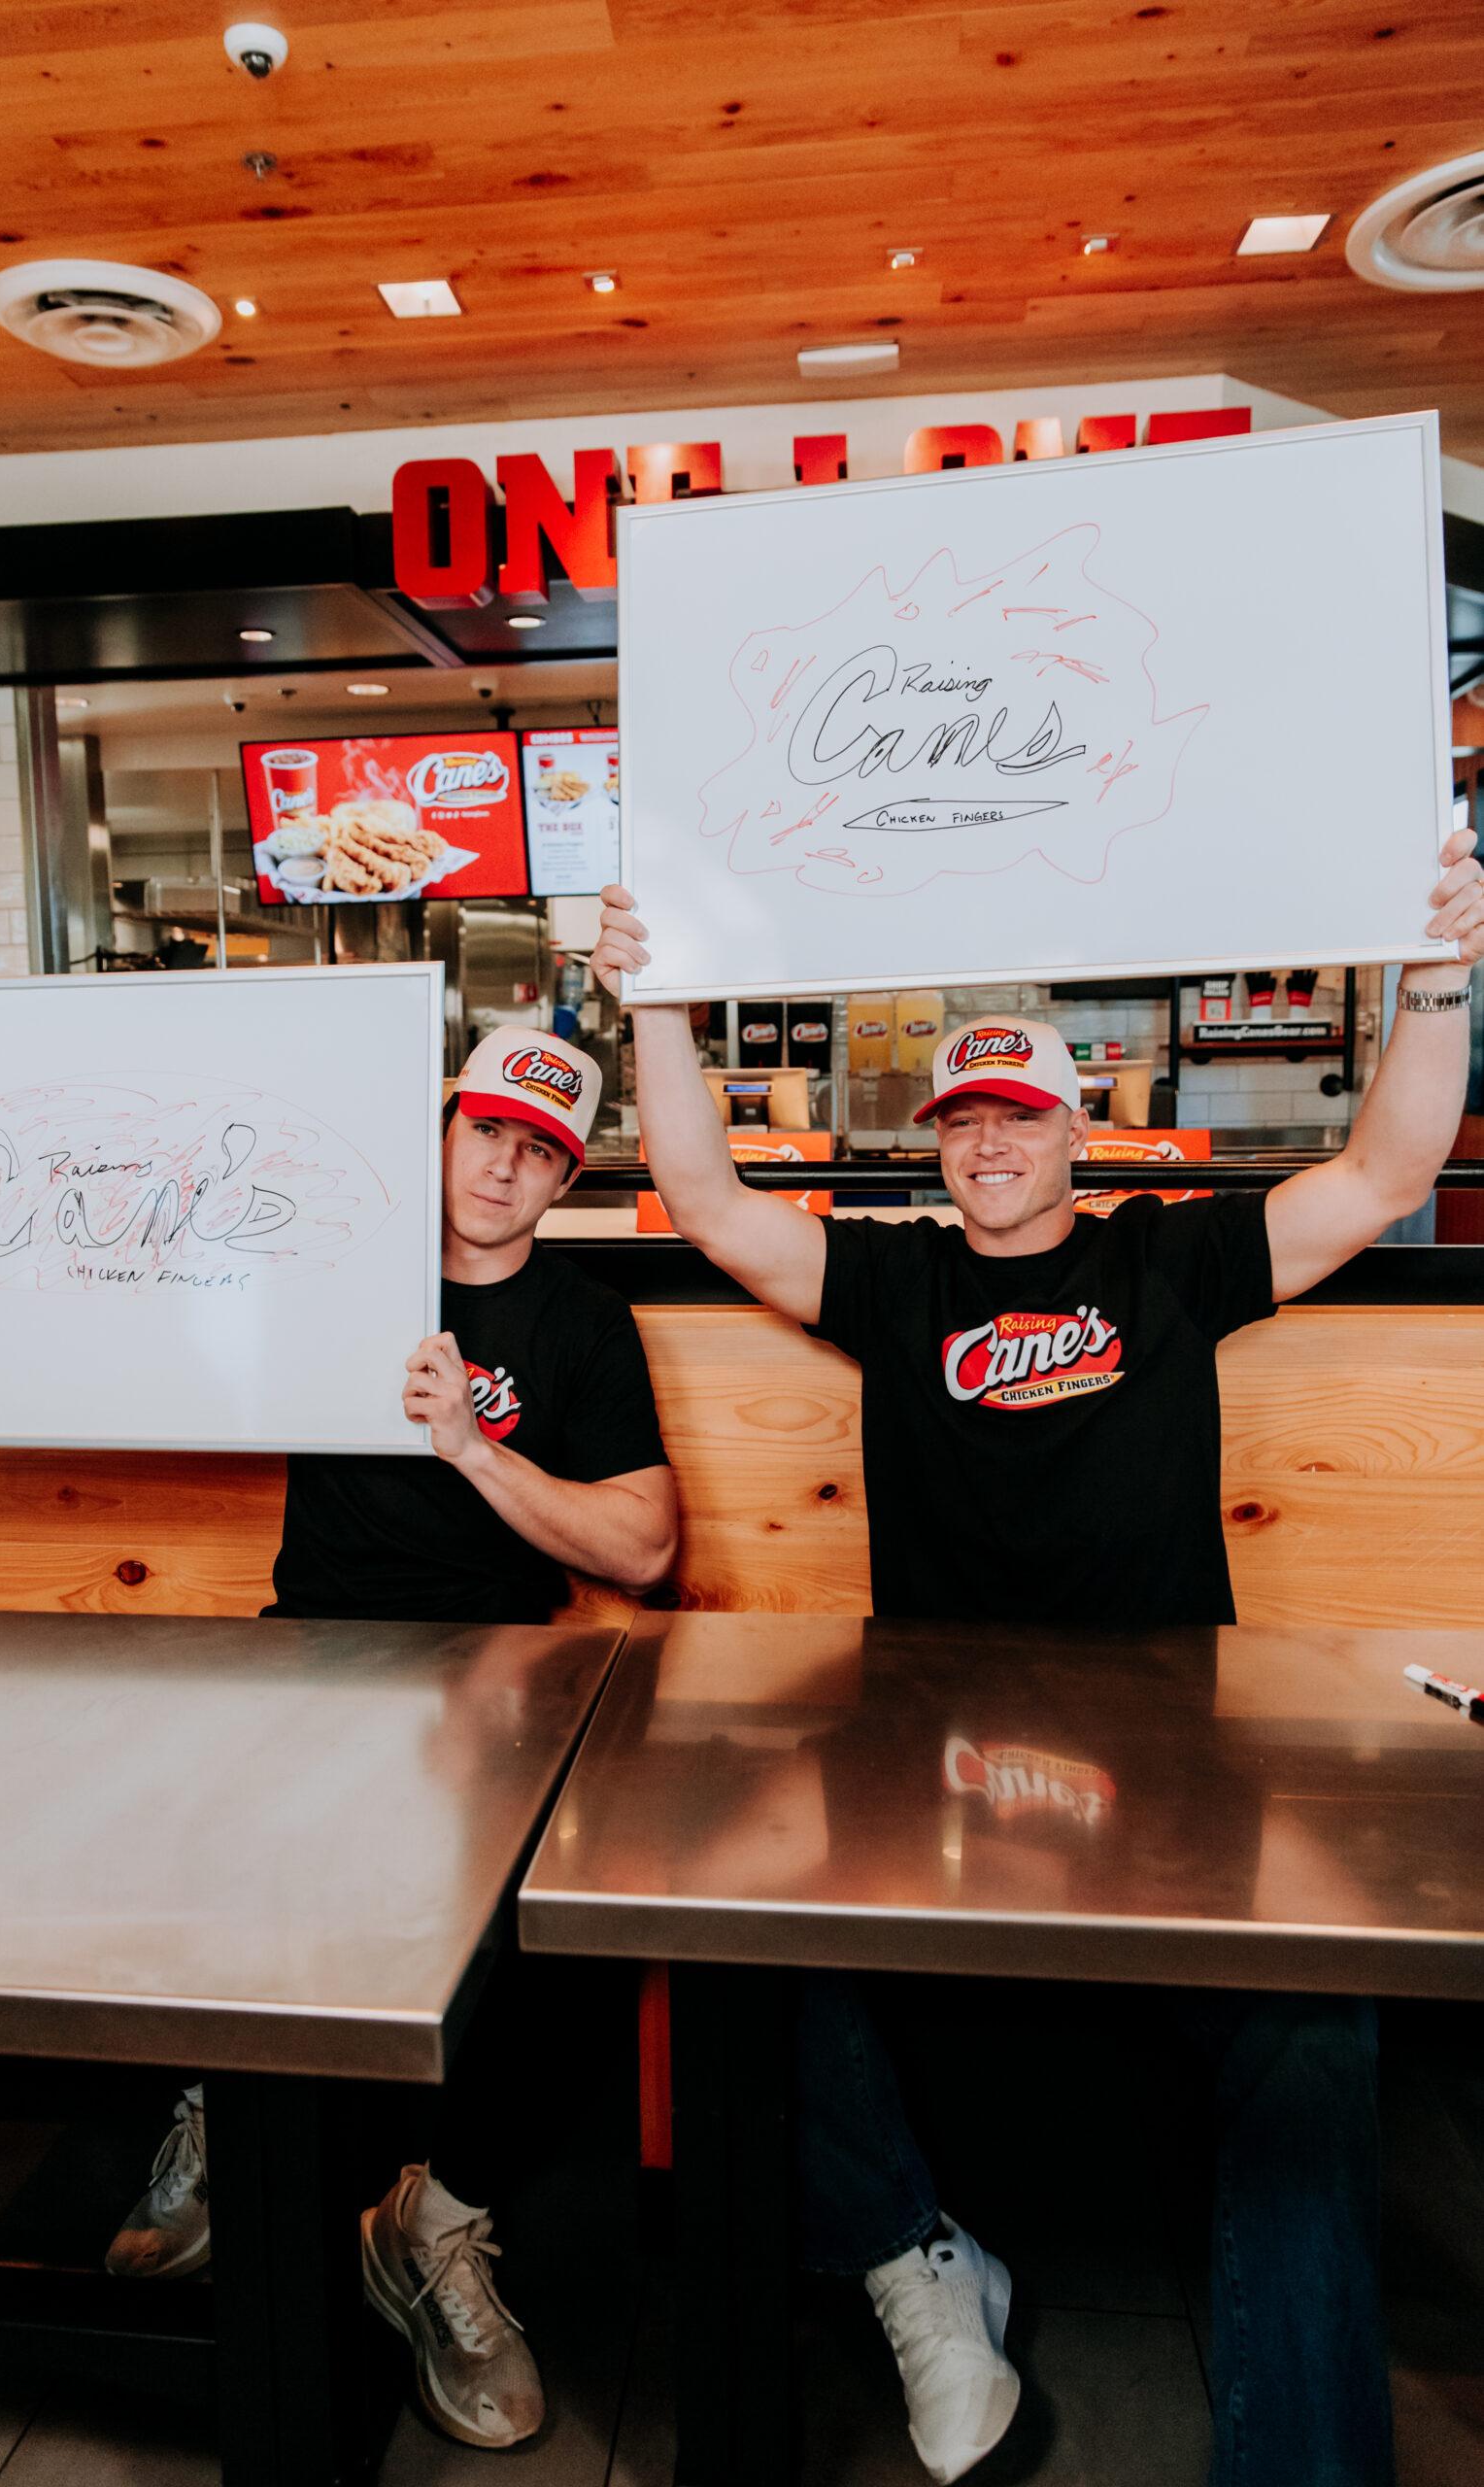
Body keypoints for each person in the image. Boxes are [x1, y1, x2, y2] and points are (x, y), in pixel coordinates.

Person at [592, 825, 1484, 2487]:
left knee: (1318, 2038)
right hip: (921, 1760)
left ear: (1077, 1128)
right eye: (964, 1119)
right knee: (741, 1955)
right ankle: (923, 2262)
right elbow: (708, 1202)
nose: (990, 1142)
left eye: (1019, 1113)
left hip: (1181, 1761)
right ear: (935, 1146)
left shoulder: (1171, 1260)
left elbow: (1379, 1173)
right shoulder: (893, 1278)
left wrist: (1437, 975)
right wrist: (657, 998)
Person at [105, 1026, 678, 2453]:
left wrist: (476, 1449)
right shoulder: (327, 1275)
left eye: (539, 1148)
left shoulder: (584, 1324)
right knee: (182, 1796)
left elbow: (649, 1544)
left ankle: (435, 2220)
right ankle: (213, 2111)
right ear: (437, 1132)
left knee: (595, 1917)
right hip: (317, 1653)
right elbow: (149, 1315)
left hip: (504, 1674)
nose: (503, 1164)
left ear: (566, 1176)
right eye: (485, 1130)